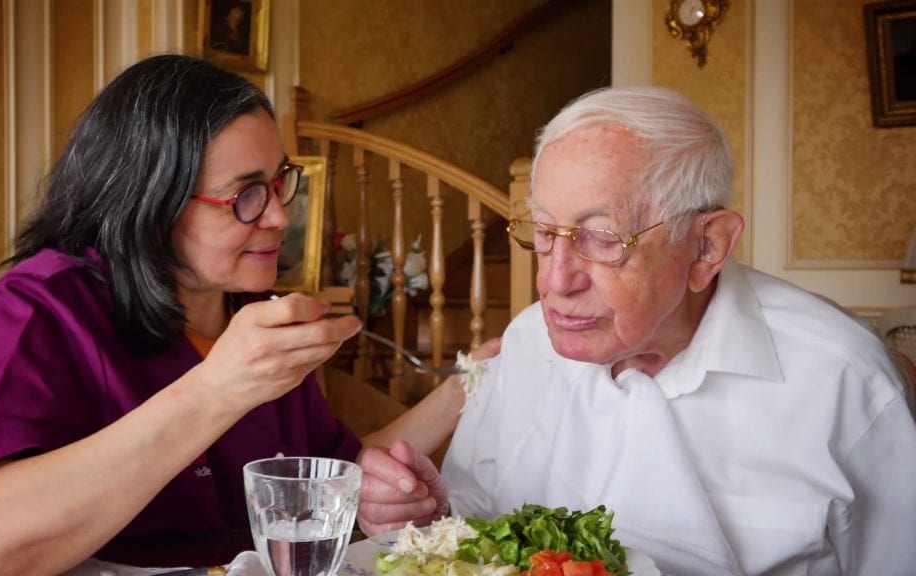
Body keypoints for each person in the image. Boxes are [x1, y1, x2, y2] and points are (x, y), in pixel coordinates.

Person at [0, 54, 486, 575]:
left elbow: (330, 472)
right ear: (150, 204)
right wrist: (220, 388)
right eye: (245, 196)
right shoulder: (44, 304)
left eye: (280, 182)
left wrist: (467, 389)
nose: (280, 219)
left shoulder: (253, 309)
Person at [356, 87, 916, 575]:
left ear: (707, 247)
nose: (553, 281)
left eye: (601, 239)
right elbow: (478, 530)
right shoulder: (526, 345)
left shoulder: (840, 379)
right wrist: (430, 516)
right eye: (544, 232)